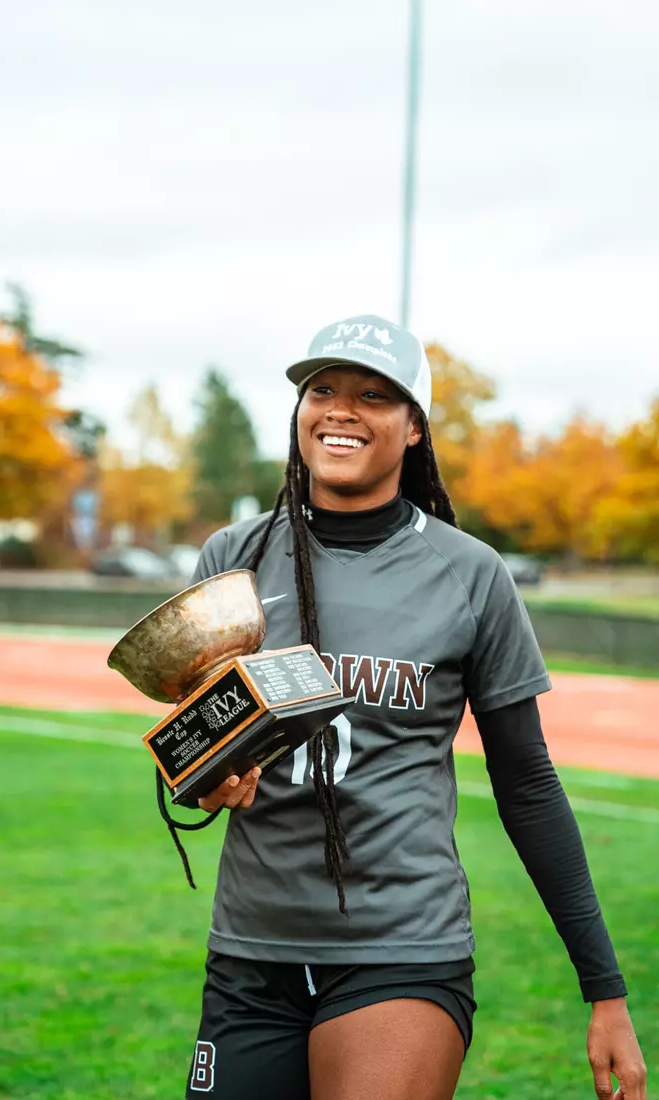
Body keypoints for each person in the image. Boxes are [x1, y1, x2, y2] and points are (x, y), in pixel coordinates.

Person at [177, 315, 647, 1100]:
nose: (339, 411)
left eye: (373, 395)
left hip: (401, 949)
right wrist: (207, 780)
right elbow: (195, 751)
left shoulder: (469, 574)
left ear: (414, 425)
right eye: (320, 390)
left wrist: (603, 988)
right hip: (251, 949)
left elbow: (527, 783)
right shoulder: (234, 559)